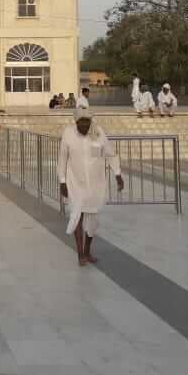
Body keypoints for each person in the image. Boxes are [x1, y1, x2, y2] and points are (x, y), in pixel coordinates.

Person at [59, 109, 124, 266]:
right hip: (75, 182)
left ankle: (87, 250)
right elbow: (62, 158)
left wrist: (117, 173)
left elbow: (110, 154)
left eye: (86, 122)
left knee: (93, 219)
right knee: (77, 214)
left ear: (90, 121)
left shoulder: (98, 133)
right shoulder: (68, 134)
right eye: (80, 122)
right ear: (75, 122)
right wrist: (62, 181)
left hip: (96, 184)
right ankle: (80, 253)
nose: (84, 125)